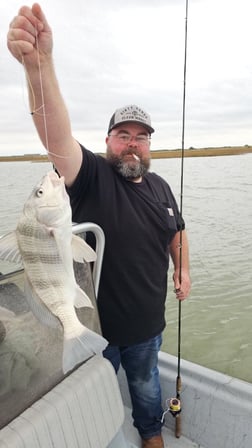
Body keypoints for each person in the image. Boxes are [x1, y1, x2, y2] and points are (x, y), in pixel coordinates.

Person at [7, 4, 191, 448]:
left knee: (147, 391)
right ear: (108, 140)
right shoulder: (90, 175)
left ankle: (150, 435)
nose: (132, 144)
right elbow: (56, 136)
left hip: (148, 328)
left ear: (150, 144)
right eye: (123, 135)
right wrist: (40, 67)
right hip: (94, 329)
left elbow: (177, 230)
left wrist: (183, 269)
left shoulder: (163, 187)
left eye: (140, 136)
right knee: (89, 402)